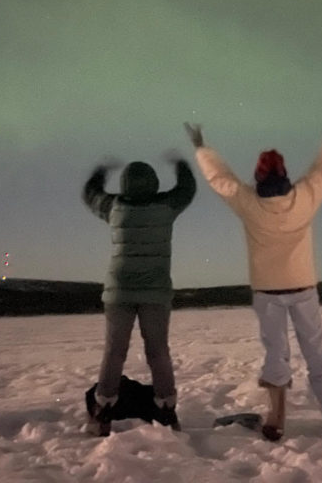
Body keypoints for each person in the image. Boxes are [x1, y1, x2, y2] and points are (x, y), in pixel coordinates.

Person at [184, 119, 322, 441]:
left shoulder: (249, 203)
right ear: (284, 174)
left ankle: (277, 417)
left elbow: (221, 179)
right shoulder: (304, 197)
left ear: (258, 176)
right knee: (315, 351)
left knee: (276, 353)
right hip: (303, 288)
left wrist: (201, 148)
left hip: (268, 291)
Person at [81, 153, 196, 436]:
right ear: (155, 183)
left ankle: (103, 409)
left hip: (118, 292)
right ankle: (167, 409)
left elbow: (91, 195)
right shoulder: (166, 205)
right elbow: (187, 190)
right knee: (158, 352)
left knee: (114, 352)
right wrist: (181, 166)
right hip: (155, 293)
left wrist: (99, 173)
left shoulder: (115, 207)